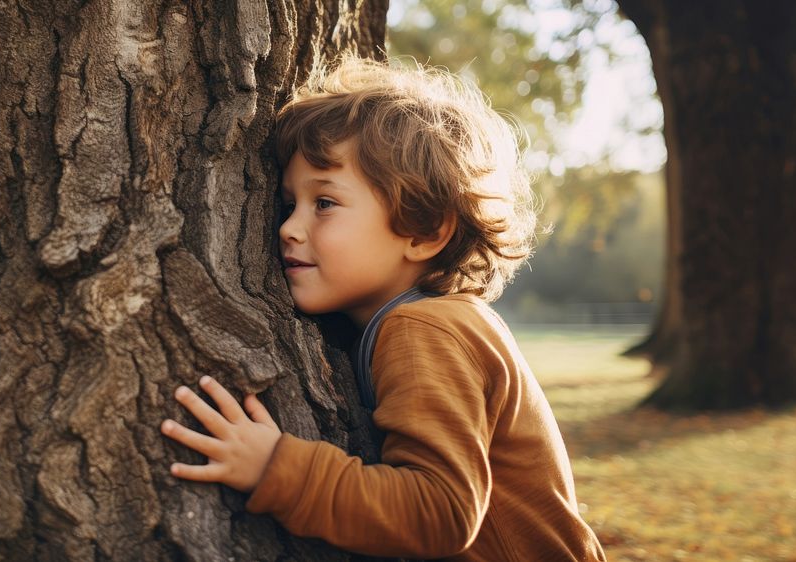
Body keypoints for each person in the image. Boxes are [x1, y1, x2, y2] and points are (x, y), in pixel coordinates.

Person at [160, 55, 606, 561]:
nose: (288, 228)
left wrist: (276, 469)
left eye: (324, 203)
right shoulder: (430, 321)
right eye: (289, 206)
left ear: (423, 230)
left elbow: (441, 512)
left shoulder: (424, 330)